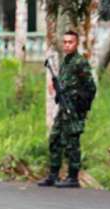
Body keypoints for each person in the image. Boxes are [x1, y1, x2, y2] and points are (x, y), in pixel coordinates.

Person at [38, 30, 97, 188]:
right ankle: (53, 174)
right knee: (55, 139)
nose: (67, 45)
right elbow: (65, 84)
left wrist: (80, 106)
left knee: (72, 142)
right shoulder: (66, 61)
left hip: (74, 109)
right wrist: (56, 87)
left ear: (76, 43)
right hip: (63, 108)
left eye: (70, 42)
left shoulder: (80, 62)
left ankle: (73, 177)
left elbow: (91, 87)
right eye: (64, 42)